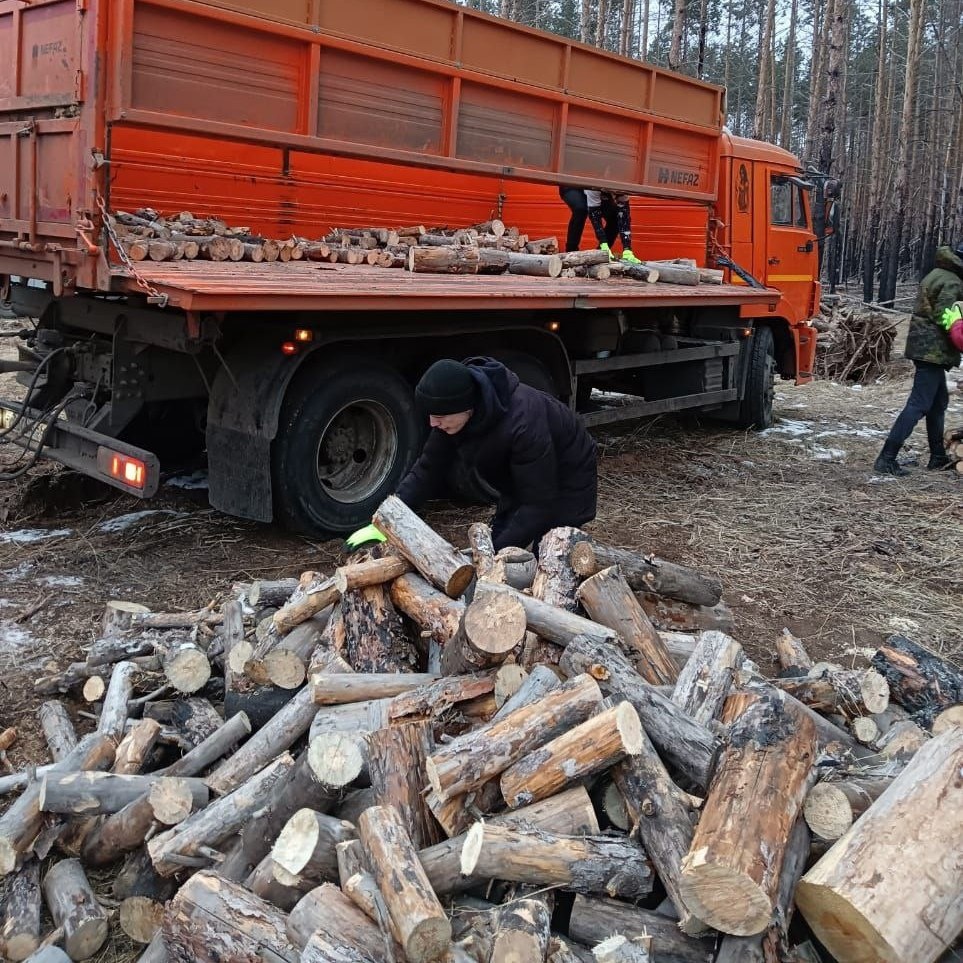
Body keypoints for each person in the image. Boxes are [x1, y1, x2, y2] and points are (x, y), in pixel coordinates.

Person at [388, 357, 598, 552]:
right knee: (500, 535)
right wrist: (390, 516)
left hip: (568, 475)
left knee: (550, 551)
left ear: (467, 407)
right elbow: (427, 469)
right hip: (523, 478)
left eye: (439, 416)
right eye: (431, 415)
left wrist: (495, 554)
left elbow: (538, 503)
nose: (433, 423)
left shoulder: (523, 424)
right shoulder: (452, 417)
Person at [874, 242, 963, 475]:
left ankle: (937, 457)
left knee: (937, 404)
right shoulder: (952, 281)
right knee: (919, 404)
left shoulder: (939, 273)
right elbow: (949, 317)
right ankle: (886, 458)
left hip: (926, 348)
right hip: (931, 351)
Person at [585, 190, 642, 264]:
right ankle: (571, 250)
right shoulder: (593, 188)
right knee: (580, 209)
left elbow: (624, 217)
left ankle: (601, 252)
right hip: (584, 192)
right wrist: (604, 244)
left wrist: (627, 249)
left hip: (606, 195)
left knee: (615, 219)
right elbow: (595, 217)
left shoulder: (623, 188)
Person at [559, 186, 617, 253]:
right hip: (573, 185)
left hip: (595, 187)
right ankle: (571, 250)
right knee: (581, 209)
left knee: (615, 215)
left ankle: (603, 252)